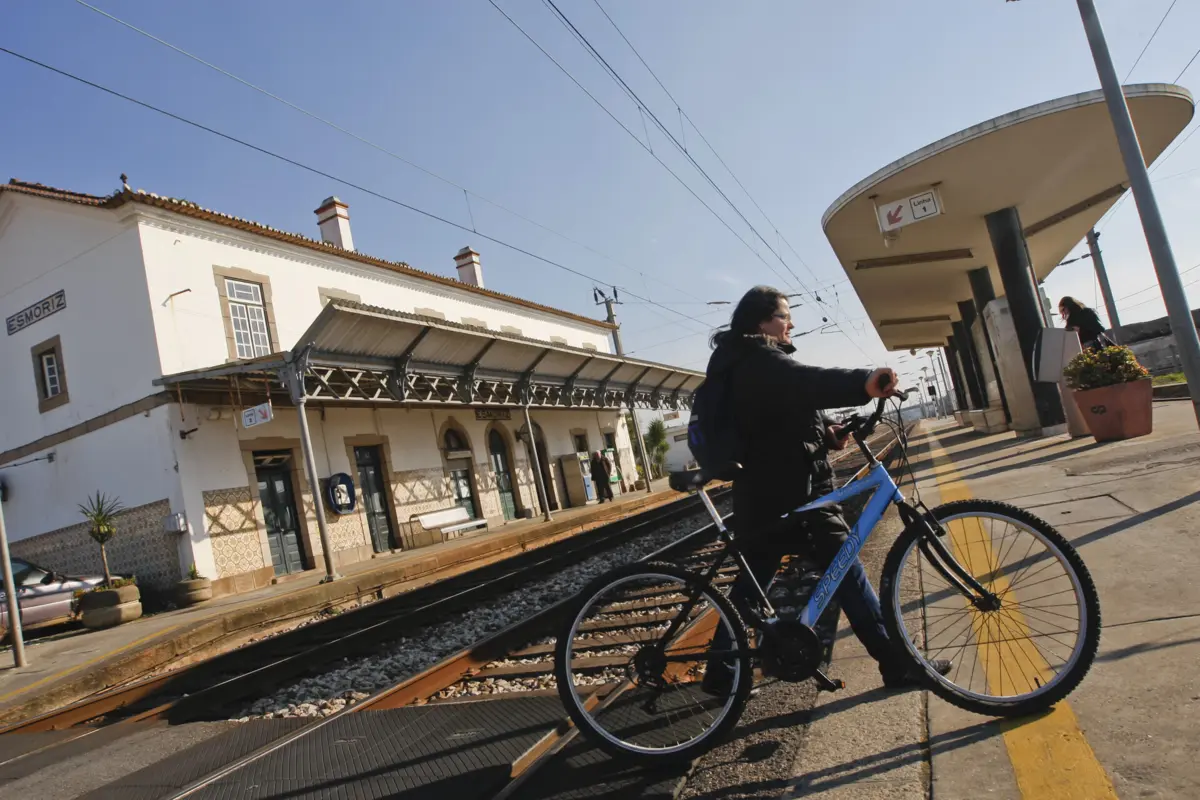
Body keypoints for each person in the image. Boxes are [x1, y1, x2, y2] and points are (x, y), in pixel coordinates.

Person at [702, 285, 952, 694]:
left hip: (769, 494)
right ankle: (897, 663)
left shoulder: (745, 362)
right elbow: (806, 383)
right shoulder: (758, 360)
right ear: (761, 321)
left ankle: (719, 675)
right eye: (784, 316)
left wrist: (826, 433)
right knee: (847, 570)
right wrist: (865, 382)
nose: (791, 324)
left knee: (750, 590)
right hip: (794, 498)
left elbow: (777, 423)